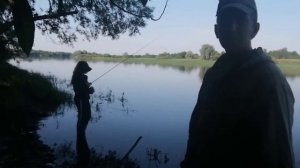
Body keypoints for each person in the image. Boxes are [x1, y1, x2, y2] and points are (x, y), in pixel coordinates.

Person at [181, 0, 295, 167]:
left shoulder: (270, 82)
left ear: (255, 29)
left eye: (240, 20)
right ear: (216, 30)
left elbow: (280, 158)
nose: (232, 27)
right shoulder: (214, 74)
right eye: (225, 20)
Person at [71, 61, 95, 166]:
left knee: (87, 116)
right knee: (82, 117)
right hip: (81, 100)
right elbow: (79, 90)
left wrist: (87, 86)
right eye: (85, 69)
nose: (87, 71)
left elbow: (83, 87)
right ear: (81, 68)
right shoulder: (77, 77)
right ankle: (80, 134)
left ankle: (81, 133)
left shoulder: (81, 76)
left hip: (84, 99)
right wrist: (89, 90)